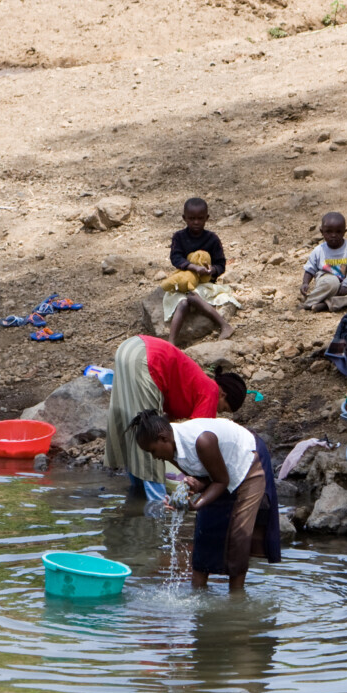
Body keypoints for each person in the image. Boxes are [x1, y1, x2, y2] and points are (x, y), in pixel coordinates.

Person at [130, 410, 278, 591]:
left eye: (152, 451)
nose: (154, 457)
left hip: (246, 462)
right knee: (205, 528)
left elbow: (221, 481)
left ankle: (236, 597)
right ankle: (198, 590)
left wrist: (196, 505)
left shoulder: (202, 441)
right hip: (221, 474)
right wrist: (182, 497)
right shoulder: (172, 449)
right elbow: (203, 479)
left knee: (238, 533)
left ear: (163, 439)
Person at [106, 335, 246, 500]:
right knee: (149, 436)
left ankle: (137, 493)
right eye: (223, 408)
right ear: (223, 394)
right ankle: (157, 507)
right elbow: (197, 443)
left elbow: (167, 426)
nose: (217, 413)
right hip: (147, 358)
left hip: (129, 348)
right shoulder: (211, 391)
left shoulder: (194, 384)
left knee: (134, 426)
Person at [163, 197, 236, 345]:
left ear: (207, 218)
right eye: (192, 218)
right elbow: (175, 258)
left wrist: (212, 270)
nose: (196, 222)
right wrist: (192, 267)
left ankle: (224, 325)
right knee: (182, 303)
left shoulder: (212, 239)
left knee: (192, 297)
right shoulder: (179, 237)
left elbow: (221, 264)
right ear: (184, 218)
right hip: (184, 282)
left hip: (204, 284)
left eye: (200, 218)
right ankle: (171, 343)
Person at [299, 211, 347, 312]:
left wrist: (346, 285)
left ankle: (327, 304)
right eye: (329, 232)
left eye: (338, 232)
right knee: (332, 282)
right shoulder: (319, 250)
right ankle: (308, 302)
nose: (333, 235)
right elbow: (310, 269)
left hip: (344, 285)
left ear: (344, 232)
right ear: (322, 231)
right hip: (327, 282)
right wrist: (305, 283)